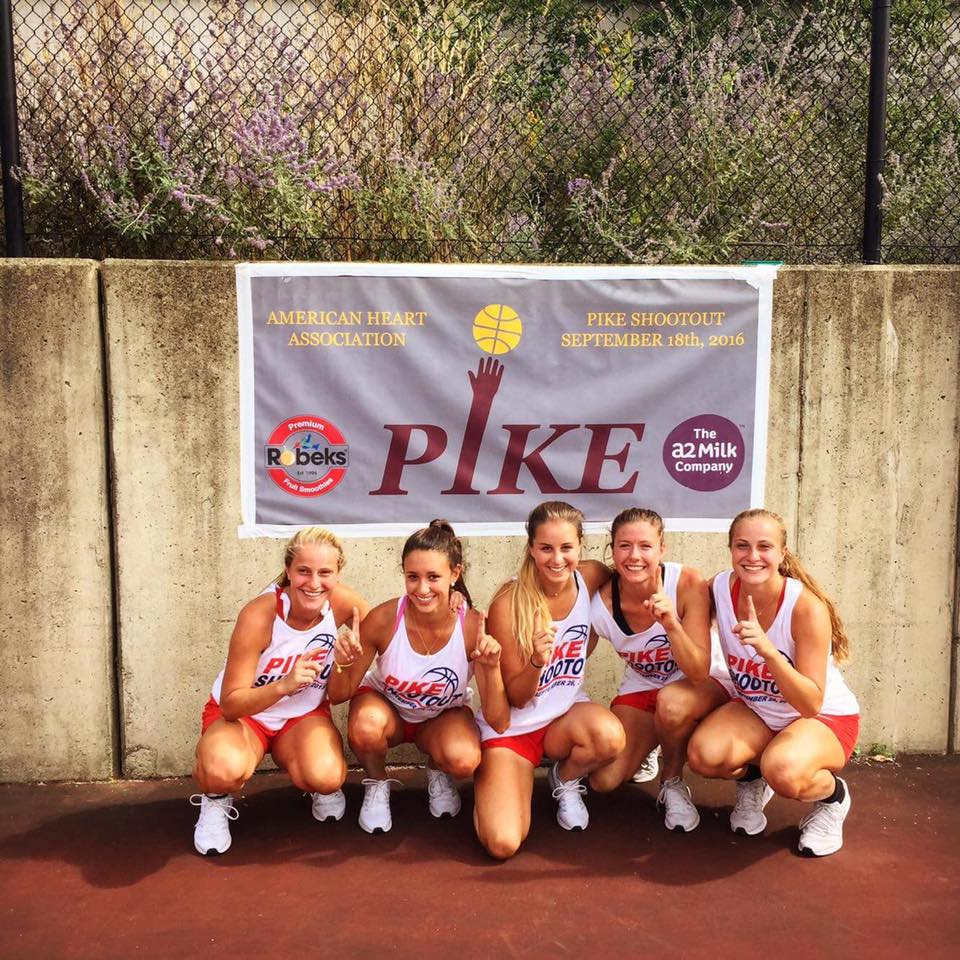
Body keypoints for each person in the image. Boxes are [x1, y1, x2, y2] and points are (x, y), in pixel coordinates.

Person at [686, 508, 860, 856]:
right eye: (742, 546)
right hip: (759, 709)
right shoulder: (719, 587)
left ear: (782, 553)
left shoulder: (805, 608)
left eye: (764, 547)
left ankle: (832, 798)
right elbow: (681, 607)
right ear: (731, 549)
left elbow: (810, 702)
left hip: (819, 717)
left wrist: (768, 651)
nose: (752, 557)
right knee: (704, 756)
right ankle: (753, 781)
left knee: (783, 770)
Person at [191, 527, 369, 856]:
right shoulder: (260, 614)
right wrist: (284, 684)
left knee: (327, 776)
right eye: (303, 571)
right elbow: (231, 705)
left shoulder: (344, 603)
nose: (314, 583)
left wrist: (455, 599)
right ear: (288, 571)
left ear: (337, 575)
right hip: (245, 716)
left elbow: (392, 626)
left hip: (302, 716)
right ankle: (215, 801)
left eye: (325, 573)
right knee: (220, 769)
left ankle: (317, 785)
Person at [326, 520, 508, 834]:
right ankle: (377, 782)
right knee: (366, 727)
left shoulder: (473, 626)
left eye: (434, 577)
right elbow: (338, 695)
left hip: (440, 718)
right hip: (388, 712)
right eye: (413, 577)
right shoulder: (383, 619)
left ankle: (438, 770)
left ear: (455, 573)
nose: (422, 589)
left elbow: (498, 720)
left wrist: (491, 669)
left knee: (464, 759)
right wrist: (341, 663)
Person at [473, 501, 625, 860]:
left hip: (564, 717)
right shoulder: (509, 603)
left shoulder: (590, 576)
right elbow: (518, 697)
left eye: (566, 548)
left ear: (580, 547)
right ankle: (494, 785)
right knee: (502, 844)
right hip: (514, 729)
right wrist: (537, 662)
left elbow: (628, 581)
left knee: (609, 737)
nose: (557, 559)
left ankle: (565, 778)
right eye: (546, 548)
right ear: (531, 549)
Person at [586, 507, 718, 832]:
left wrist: (671, 623)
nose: (634, 556)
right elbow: (571, 662)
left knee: (672, 704)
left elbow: (699, 670)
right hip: (644, 687)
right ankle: (653, 741)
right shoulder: (600, 605)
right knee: (603, 781)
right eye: (624, 546)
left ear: (662, 549)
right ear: (612, 549)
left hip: (697, 685)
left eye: (645, 546)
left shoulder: (686, 582)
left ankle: (671, 780)